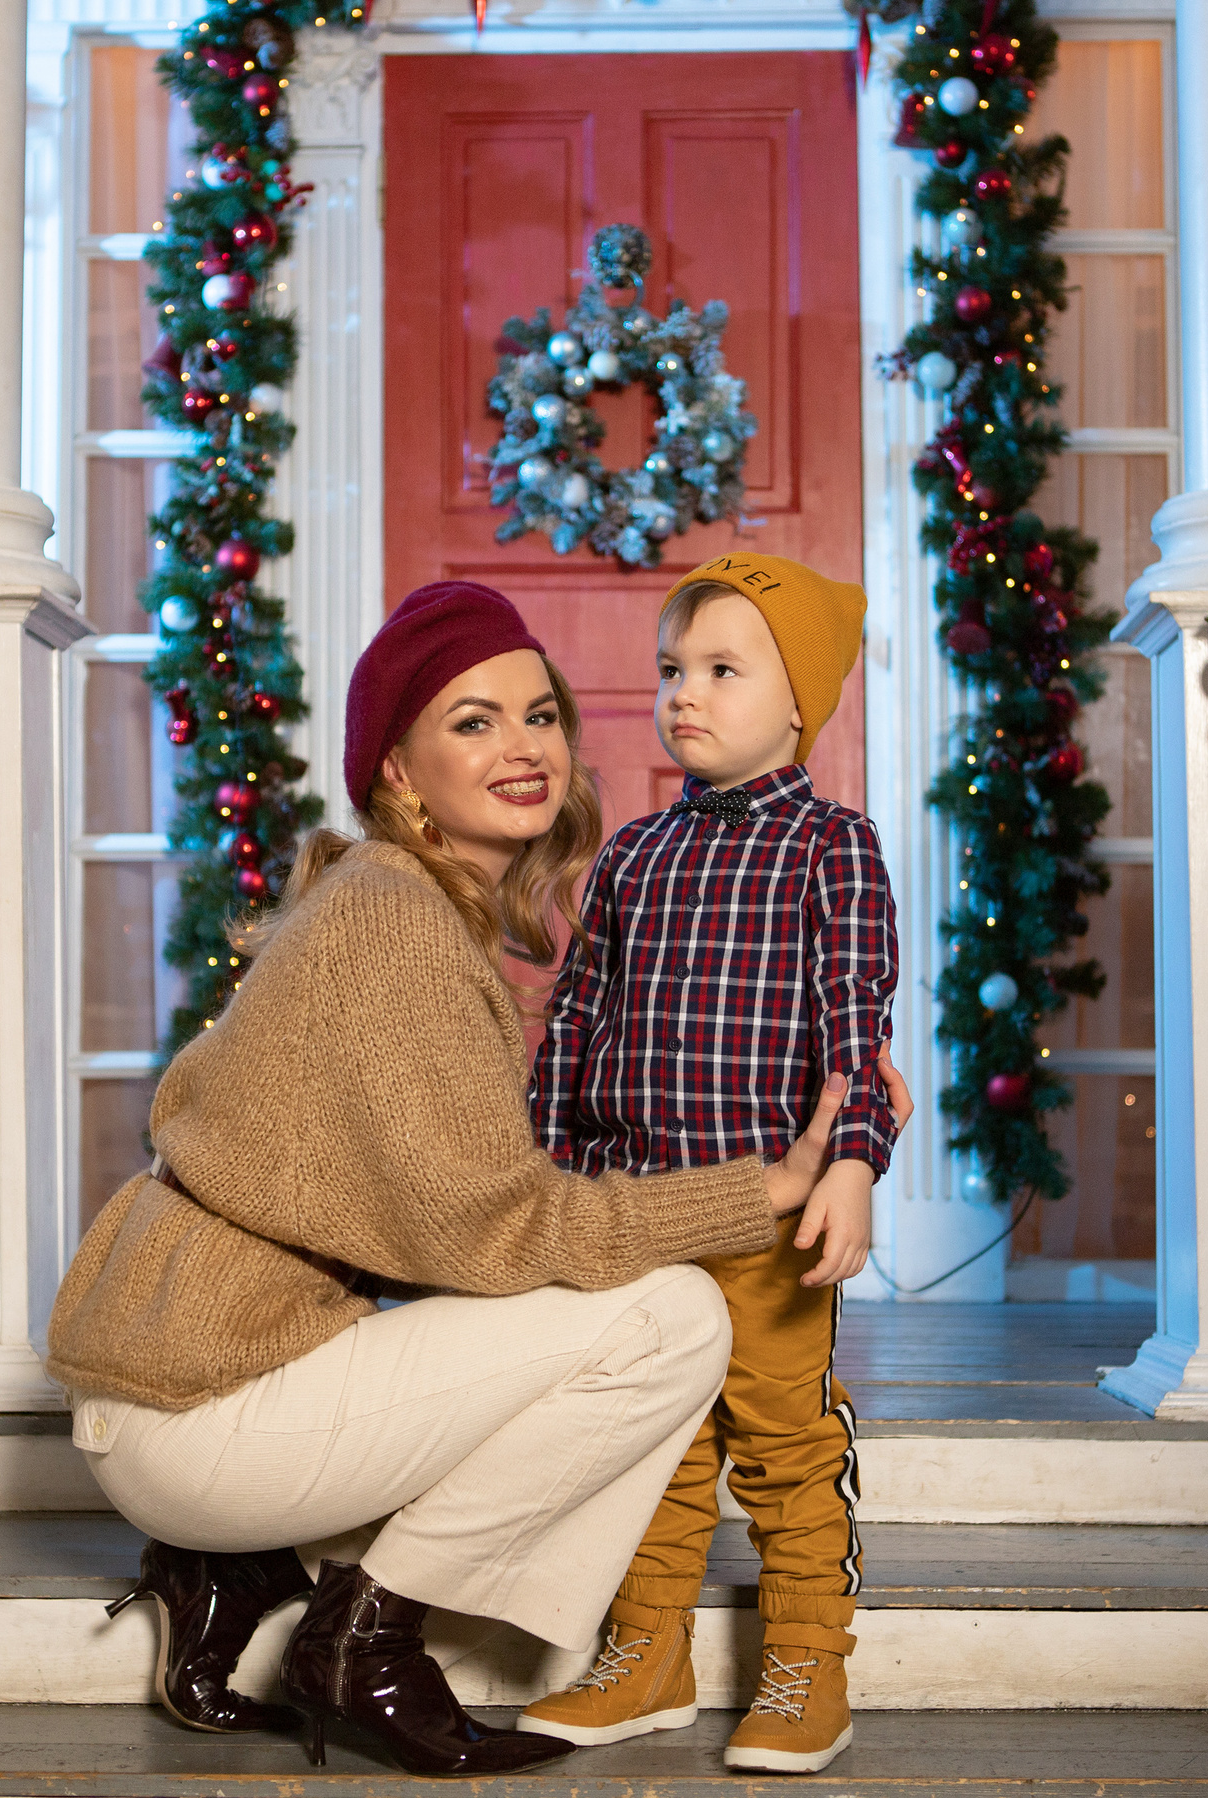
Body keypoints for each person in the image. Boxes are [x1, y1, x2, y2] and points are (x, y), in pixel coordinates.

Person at [44, 580, 905, 1779]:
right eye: (472, 721)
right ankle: (361, 1641)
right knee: (663, 1323)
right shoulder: (402, 919)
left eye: (539, 713)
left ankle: (246, 1569)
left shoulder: (407, 906)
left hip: (194, 1371)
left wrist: (849, 1130)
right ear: (397, 769)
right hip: (199, 1399)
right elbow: (496, 1218)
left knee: (674, 1381)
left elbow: (477, 1169)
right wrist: (749, 1188)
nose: (523, 745)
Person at [519, 554, 895, 1774]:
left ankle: (808, 1662)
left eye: (722, 669)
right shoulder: (631, 854)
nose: (686, 692)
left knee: (784, 1446)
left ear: (799, 701)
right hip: (638, 1212)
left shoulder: (831, 846)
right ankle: (649, 1652)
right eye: (673, 669)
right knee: (653, 1445)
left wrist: (851, 1165)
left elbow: (857, 1022)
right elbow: (576, 1017)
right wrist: (554, 1168)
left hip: (771, 1221)